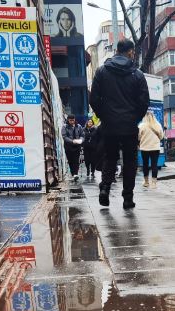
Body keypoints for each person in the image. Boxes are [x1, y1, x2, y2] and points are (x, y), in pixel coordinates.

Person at [89, 39, 150, 209]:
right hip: (129, 125)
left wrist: (104, 115)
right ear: (130, 52)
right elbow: (144, 101)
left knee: (110, 157)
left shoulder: (102, 72)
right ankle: (128, 198)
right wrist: (134, 118)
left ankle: (106, 188)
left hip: (109, 124)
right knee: (130, 161)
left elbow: (93, 99)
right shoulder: (137, 74)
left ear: (117, 50)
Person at [138, 111, 164, 189]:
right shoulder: (158, 125)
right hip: (155, 148)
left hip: (144, 148)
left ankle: (146, 182)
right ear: (153, 116)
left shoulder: (141, 126)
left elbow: (138, 137)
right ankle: (154, 183)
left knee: (145, 165)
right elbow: (162, 136)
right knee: (154, 165)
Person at [62, 114, 84, 181]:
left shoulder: (79, 126)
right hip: (68, 146)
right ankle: (73, 174)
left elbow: (82, 135)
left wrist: (81, 140)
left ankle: (75, 174)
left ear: (75, 119)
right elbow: (64, 136)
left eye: (73, 120)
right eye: (70, 120)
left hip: (77, 146)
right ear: (68, 120)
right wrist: (72, 141)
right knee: (71, 160)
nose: (72, 121)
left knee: (76, 160)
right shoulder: (65, 127)